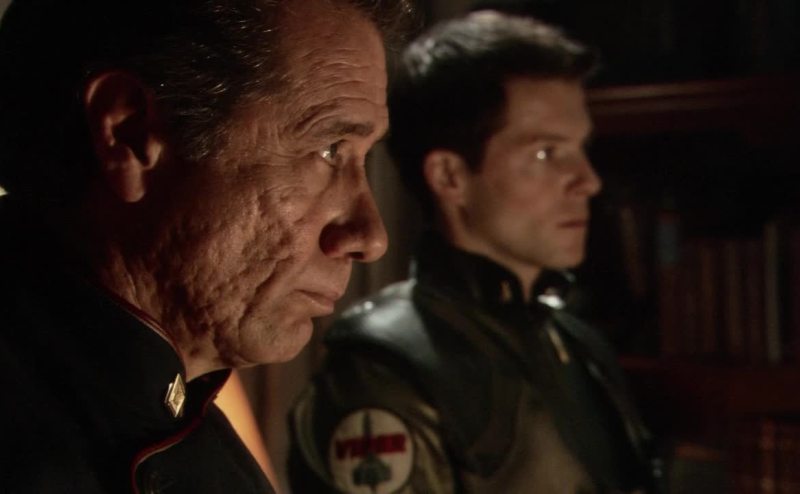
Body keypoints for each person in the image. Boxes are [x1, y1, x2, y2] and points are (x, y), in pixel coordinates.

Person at [0, 0, 412, 492]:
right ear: (130, 134)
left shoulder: (195, 440)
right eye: (328, 150)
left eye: (363, 158)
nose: (370, 237)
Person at [288, 10, 663, 494]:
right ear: (450, 177)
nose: (587, 182)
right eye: (546, 153)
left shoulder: (578, 345)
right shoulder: (384, 368)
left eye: (580, 150)